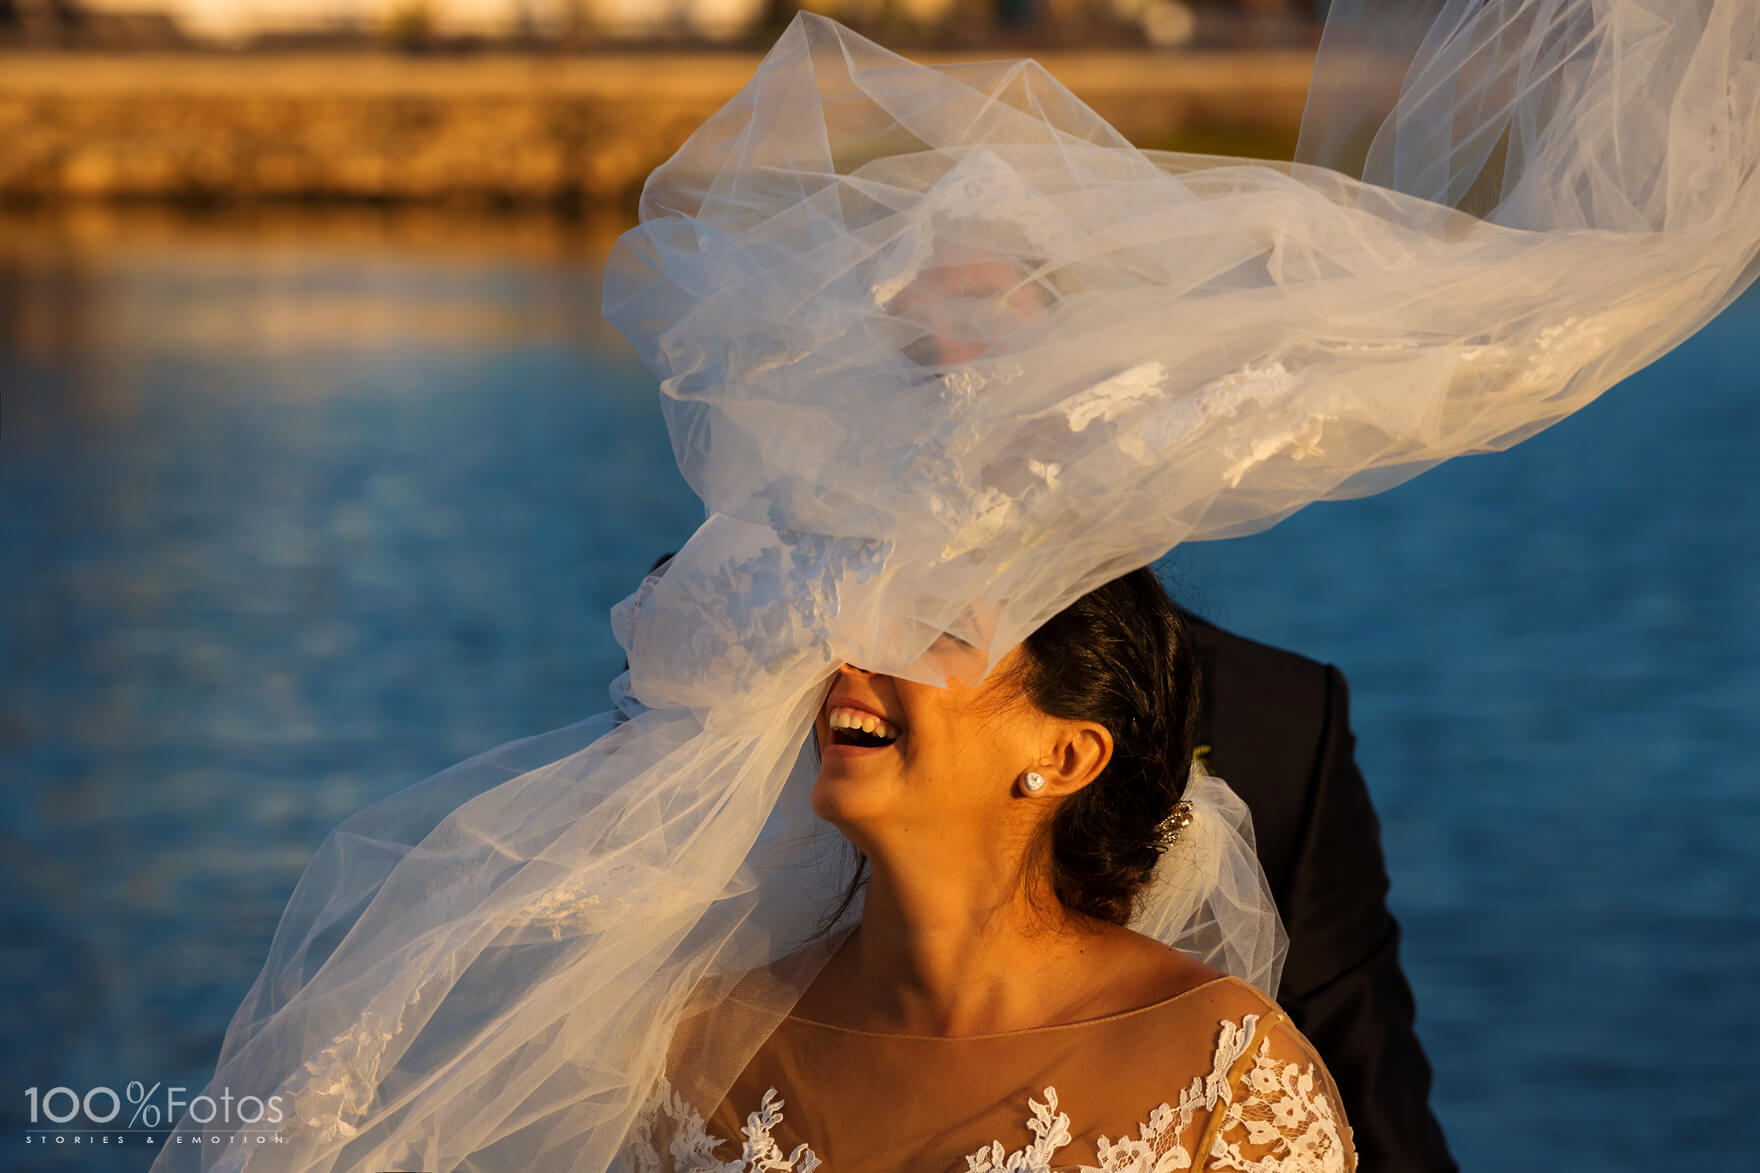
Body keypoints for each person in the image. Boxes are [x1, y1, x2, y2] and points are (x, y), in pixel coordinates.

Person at [149, 5, 1759, 1172]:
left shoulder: (1275, 727)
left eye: (1017, 322)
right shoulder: (739, 667)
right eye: (933, 321)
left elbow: (1374, 1094)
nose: (973, 362)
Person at [627, 549, 1453, 1172]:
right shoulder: (702, 1047)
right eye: (860, 627)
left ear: (1064, 756)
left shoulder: (1228, 1077)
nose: (852, 664)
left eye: (934, 633)